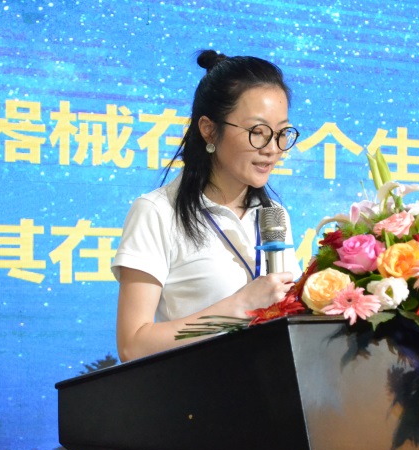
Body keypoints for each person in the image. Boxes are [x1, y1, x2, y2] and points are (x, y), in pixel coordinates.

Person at [112, 50, 302, 362]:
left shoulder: (273, 215)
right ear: (209, 129)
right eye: (257, 132)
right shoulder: (157, 212)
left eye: (282, 133)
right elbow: (133, 345)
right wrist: (239, 308)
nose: (272, 149)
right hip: (194, 388)